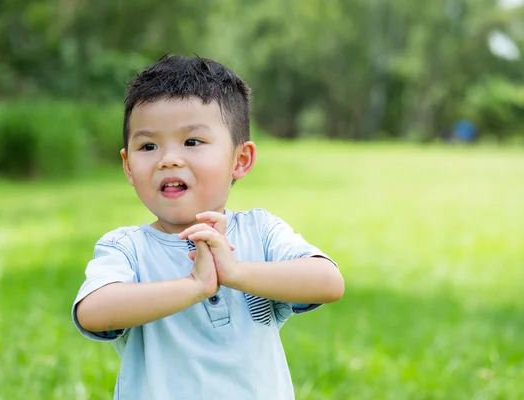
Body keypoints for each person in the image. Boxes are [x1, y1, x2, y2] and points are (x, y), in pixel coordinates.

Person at [71, 54, 345, 400]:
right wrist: (195, 286)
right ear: (128, 165)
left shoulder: (259, 232)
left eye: (192, 142)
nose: (168, 159)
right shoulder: (128, 249)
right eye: (148, 146)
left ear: (240, 160)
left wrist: (235, 271)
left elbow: (328, 282)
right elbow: (93, 312)